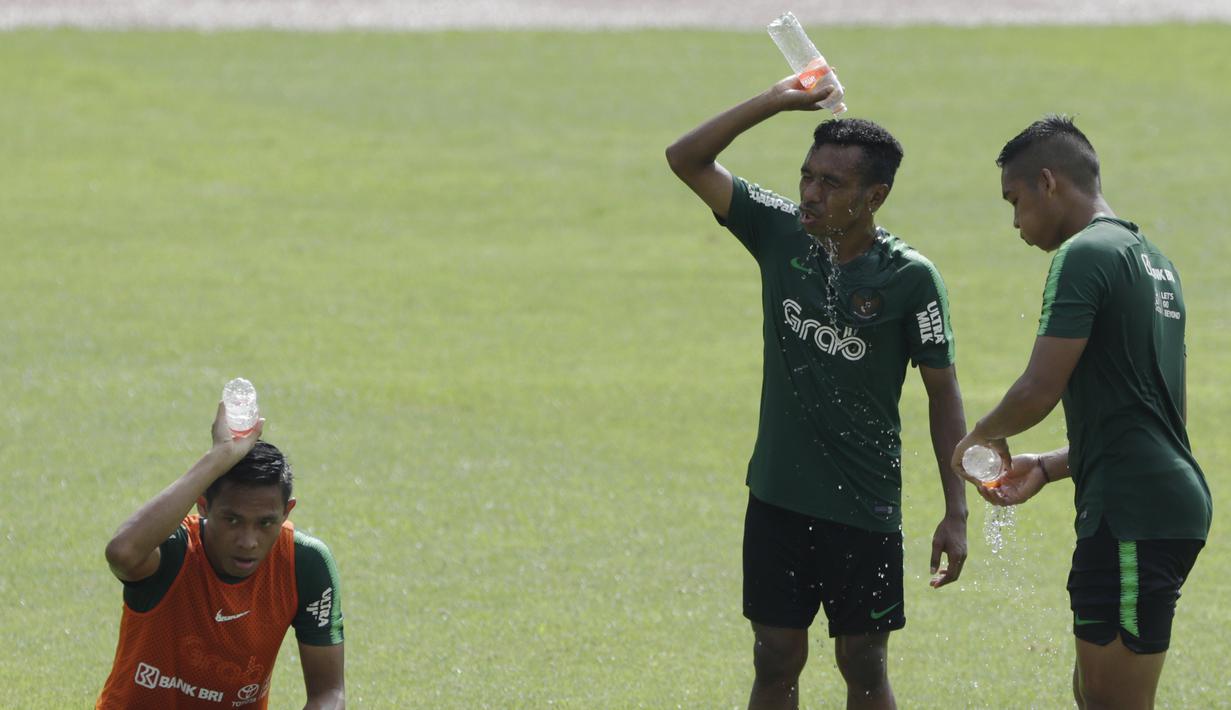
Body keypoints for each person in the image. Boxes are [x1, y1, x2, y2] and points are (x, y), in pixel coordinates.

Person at [666, 76, 969, 710]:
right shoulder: (780, 232)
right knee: (774, 657)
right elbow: (686, 158)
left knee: (864, 664)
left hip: (864, 505)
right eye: (807, 176)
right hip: (777, 496)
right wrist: (777, 100)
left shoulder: (911, 279)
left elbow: (943, 395)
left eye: (831, 183)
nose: (810, 193)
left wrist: (956, 511)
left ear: (874, 196)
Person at [952, 115, 1212, 709]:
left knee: (1112, 703)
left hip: (1132, 511)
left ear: (1048, 182)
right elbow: (1154, 419)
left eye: (1014, 201)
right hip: (1157, 499)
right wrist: (1047, 466)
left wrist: (980, 438)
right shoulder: (1155, 261)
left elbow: (1039, 388)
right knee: (1093, 692)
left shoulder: (1084, 254)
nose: (1015, 222)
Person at [97, 403, 345, 709]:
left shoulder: (303, 565)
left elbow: (328, 693)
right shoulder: (174, 550)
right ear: (203, 505)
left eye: (265, 523)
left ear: (286, 512)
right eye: (232, 520)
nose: (248, 541)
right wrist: (219, 456)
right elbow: (122, 554)